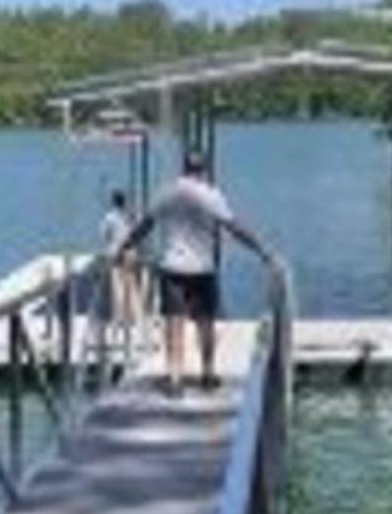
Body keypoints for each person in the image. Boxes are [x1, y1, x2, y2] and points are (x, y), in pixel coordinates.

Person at [114, 150, 277, 394]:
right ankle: (208, 373)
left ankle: (175, 378)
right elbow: (234, 228)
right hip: (202, 268)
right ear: (203, 170)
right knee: (205, 323)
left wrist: (123, 247)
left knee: (174, 322)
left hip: (172, 267)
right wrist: (262, 250)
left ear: (184, 168)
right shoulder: (211, 195)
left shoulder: (166, 192)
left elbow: (144, 226)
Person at [98, 189, 146, 357]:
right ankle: (136, 315)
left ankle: (122, 317)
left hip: (116, 254)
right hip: (130, 254)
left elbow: (103, 235)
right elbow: (137, 233)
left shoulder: (109, 217)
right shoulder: (129, 217)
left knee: (118, 285)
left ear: (113, 201)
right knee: (131, 285)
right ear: (123, 202)